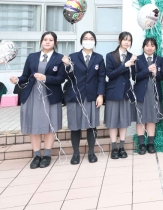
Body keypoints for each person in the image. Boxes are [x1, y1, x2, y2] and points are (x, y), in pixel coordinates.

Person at [9, 32, 66, 169]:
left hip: (50, 96)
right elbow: (25, 76)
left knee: (49, 126)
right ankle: (36, 155)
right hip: (33, 95)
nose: (47, 42)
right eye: (45, 39)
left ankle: (47, 155)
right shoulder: (32, 57)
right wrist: (17, 80)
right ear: (41, 41)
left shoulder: (60, 58)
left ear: (55, 42)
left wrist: (46, 78)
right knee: (34, 126)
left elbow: (61, 79)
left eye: (50, 40)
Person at [62, 31, 105, 164]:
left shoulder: (99, 58)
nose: (88, 40)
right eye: (86, 38)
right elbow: (67, 77)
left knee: (91, 125)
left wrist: (100, 95)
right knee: (75, 126)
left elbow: (101, 78)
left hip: (92, 96)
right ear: (81, 41)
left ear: (95, 41)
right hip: (75, 95)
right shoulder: (73, 57)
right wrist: (67, 66)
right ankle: (76, 153)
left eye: (91, 38)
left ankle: (91, 152)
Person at [105, 31, 136, 160]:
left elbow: (134, 76)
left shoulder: (132, 56)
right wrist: (125, 65)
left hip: (126, 92)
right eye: (124, 39)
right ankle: (114, 148)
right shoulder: (110, 55)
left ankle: (122, 147)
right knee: (112, 121)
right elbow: (110, 74)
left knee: (123, 120)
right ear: (119, 40)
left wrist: (134, 64)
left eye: (129, 40)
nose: (127, 42)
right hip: (113, 92)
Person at [133, 38, 163, 154]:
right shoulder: (137, 59)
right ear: (143, 47)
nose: (149, 48)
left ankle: (151, 144)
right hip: (141, 93)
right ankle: (141, 145)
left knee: (152, 118)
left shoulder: (159, 59)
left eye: (152, 45)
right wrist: (147, 70)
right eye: (147, 45)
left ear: (155, 47)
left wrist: (157, 74)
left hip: (154, 93)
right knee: (140, 119)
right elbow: (134, 77)